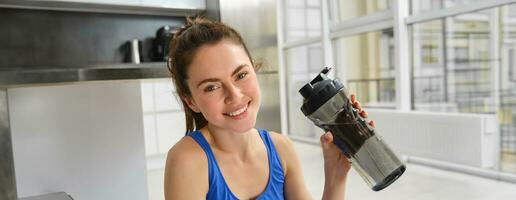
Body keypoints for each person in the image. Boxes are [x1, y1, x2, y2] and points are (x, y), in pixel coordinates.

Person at [164, 17, 374, 200]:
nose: (234, 95)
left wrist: (336, 174)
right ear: (191, 101)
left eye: (241, 75)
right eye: (212, 87)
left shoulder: (281, 148)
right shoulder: (187, 161)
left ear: (254, 70)